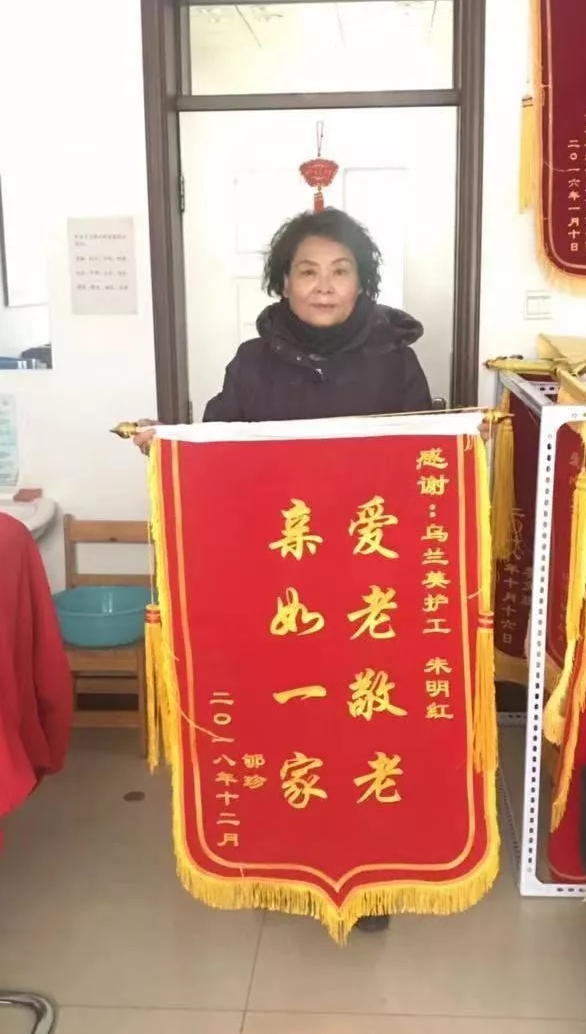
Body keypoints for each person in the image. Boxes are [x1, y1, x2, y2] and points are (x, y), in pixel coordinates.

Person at [135, 206, 434, 931]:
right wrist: (168, 447)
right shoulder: (253, 362)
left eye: (340, 271)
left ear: (362, 282)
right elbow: (216, 447)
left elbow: (423, 458)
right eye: (308, 271)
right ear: (284, 281)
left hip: (364, 581)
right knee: (284, 720)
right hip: (280, 577)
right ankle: (282, 866)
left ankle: (367, 878)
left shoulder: (396, 361)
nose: (324, 286)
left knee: (359, 724)